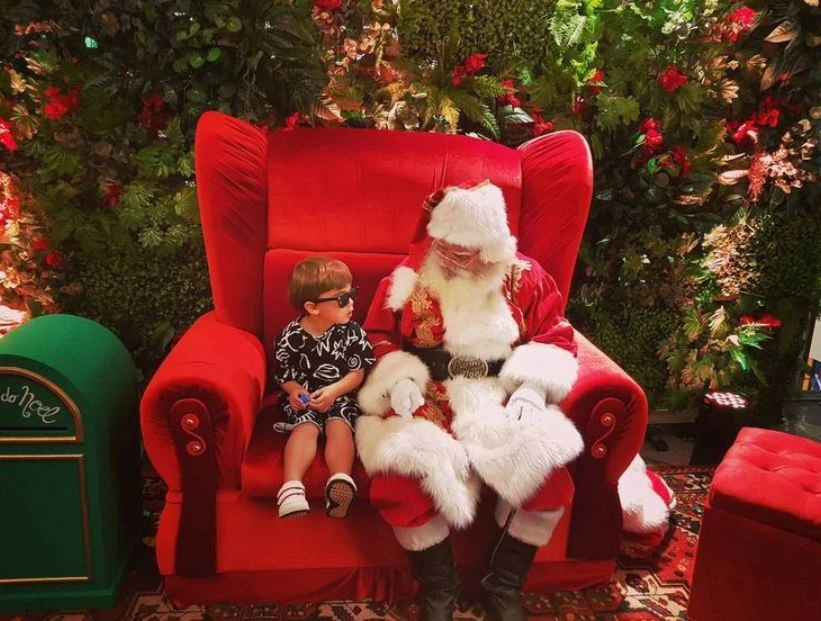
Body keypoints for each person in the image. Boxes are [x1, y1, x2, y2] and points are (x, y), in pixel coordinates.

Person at [356, 180, 584, 621]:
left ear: (491, 246)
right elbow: (377, 336)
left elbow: (556, 335)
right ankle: (440, 587)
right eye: (445, 246)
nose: (452, 256)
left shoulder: (526, 277)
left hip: (500, 395)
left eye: (464, 250)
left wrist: (534, 387)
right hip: (428, 394)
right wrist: (398, 377)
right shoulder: (408, 278)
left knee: (549, 476)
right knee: (398, 478)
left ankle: (501, 585)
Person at [273, 257, 374, 519]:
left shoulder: (352, 332)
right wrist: (294, 391)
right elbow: (284, 375)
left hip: (339, 396)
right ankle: (291, 488)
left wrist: (334, 391)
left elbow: (357, 373)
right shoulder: (290, 336)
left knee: (339, 425)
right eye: (342, 299)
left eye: (351, 294)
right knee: (305, 426)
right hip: (305, 398)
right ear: (312, 307)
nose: (351, 303)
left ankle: (340, 481)